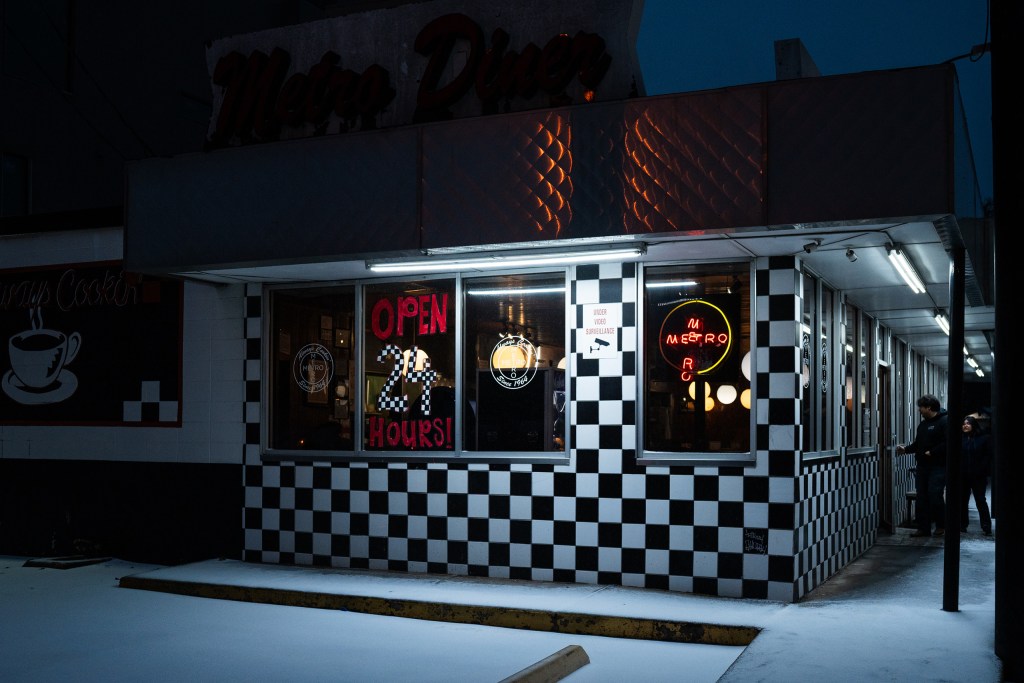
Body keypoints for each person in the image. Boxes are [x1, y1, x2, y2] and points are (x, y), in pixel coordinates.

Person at [896, 394, 948, 537]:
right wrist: (906, 449)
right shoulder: (923, 425)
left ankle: (941, 525)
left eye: (921, 407)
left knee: (934, 494)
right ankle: (923, 528)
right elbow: (918, 444)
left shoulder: (944, 421)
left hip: (939, 466)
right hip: (923, 466)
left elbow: (949, 443)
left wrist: (932, 452)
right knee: (922, 497)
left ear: (929, 407)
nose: (919, 410)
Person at [960, 415, 993, 535]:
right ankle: (962, 525)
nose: (965, 425)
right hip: (963, 475)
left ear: (973, 425)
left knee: (980, 499)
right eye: (964, 423)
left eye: (968, 423)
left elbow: (988, 456)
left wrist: (982, 469)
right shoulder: (960, 439)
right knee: (963, 500)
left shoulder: (983, 439)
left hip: (978, 475)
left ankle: (986, 525)